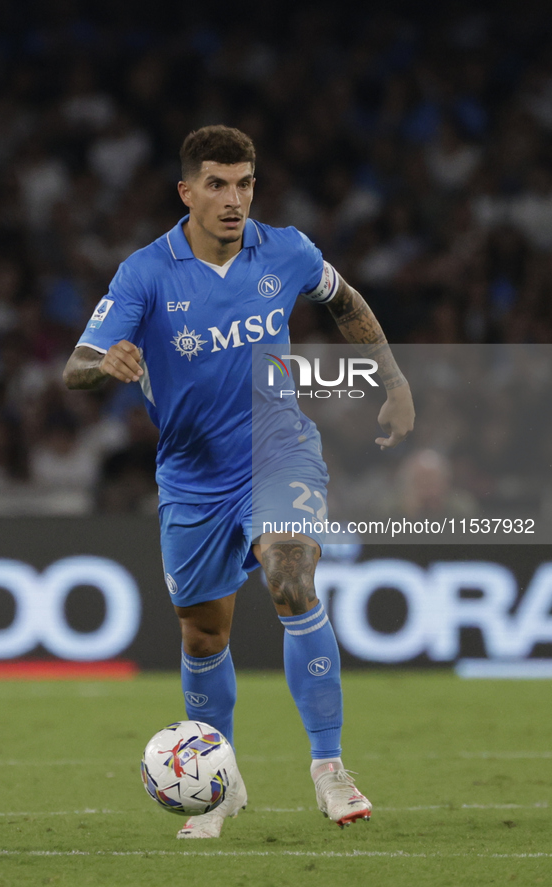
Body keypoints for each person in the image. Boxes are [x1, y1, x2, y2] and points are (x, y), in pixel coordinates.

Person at [63, 125, 415, 839]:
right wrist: (111, 364)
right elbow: (77, 366)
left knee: (290, 575)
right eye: (218, 184)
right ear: (186, 191)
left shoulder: (285, 248)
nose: (234, 199)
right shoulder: (145, 273)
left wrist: (394, 379)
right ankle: (217, 780)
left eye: (245, 183)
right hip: (192, 475)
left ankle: (328, 764)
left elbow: (344, 301)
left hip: (279, 450)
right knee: (201, 635)